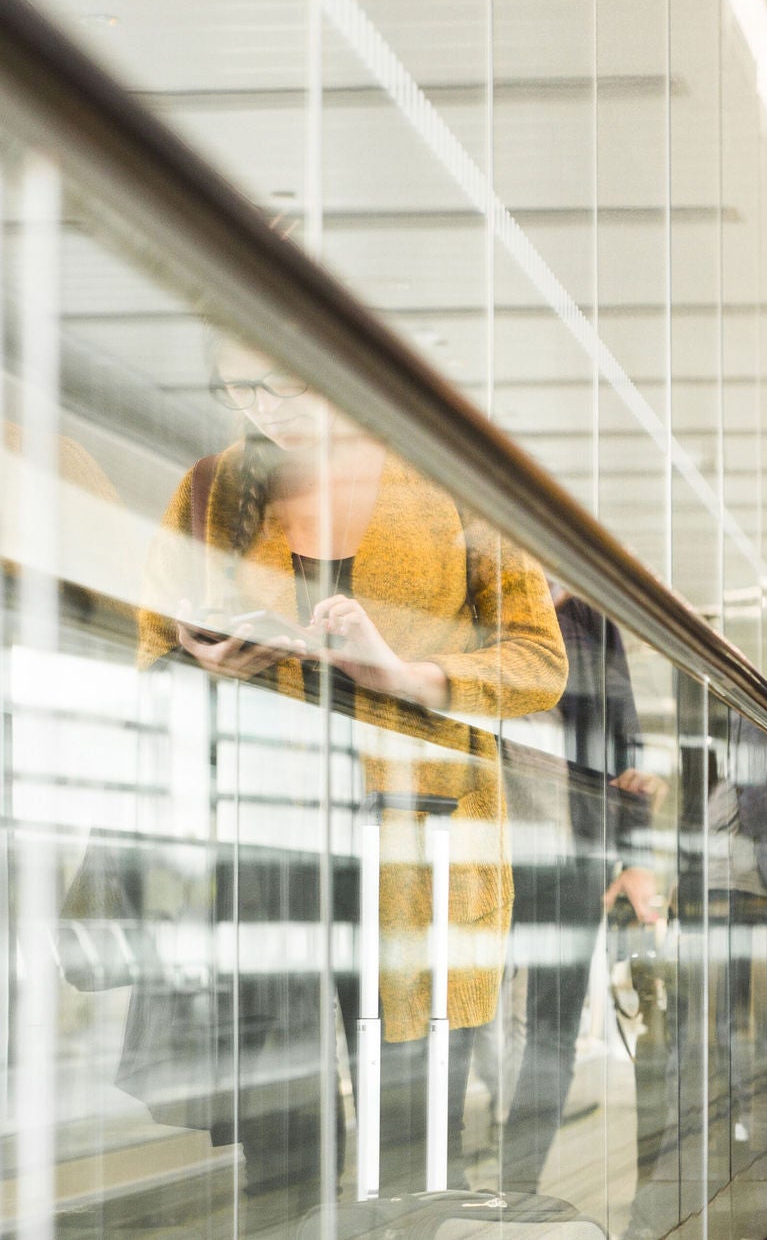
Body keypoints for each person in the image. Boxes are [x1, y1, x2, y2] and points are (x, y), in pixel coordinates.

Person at [135, 339, 567, 1222]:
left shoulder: (450, 473)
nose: (267, 404)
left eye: (285, 376)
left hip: (417, 850)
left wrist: (410, 675)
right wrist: (204, 659)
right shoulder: (211, 491)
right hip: (265, 857)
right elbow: (147, 648)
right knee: (277, 1149)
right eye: (241, 387)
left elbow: (539, 657)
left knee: (412, 1144)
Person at [485, 585, 666, 1195]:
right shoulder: (468, 589)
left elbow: (626, 744)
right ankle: (443, 1185)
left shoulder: (589, 619)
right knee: (463, 1015)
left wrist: (634, 857)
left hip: (569, 852)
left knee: (552, 1029)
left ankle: (515, 1189)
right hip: (480, 848)